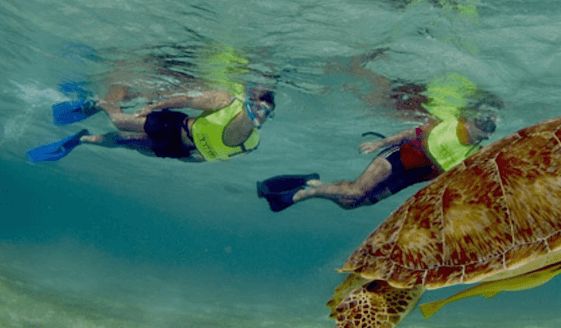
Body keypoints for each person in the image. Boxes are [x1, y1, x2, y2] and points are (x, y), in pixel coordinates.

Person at [257, 72, 499, 212]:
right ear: (468, 118)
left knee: (350, 204)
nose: (484, 127)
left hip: (409, 178)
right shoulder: (449, 124)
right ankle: (301, 195)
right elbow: (412, 133)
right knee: (354, 191)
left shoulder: (476, 153)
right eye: (482, 121)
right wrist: (380, 144)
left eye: (490, 126)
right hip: (396, 159)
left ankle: (310, 182)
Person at [27, 83, 275, 163]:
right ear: (250, 101)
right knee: (118, 122)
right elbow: (188, 99)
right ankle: (98, 104)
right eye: (259, 107)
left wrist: (190, 159)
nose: (261, 115)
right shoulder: (226, 101)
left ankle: (79, 139)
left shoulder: (252, 143)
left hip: (180, 150)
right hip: (173, 125)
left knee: (125, 142)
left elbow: (217, 155)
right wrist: (155, 106)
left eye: (267, 113)